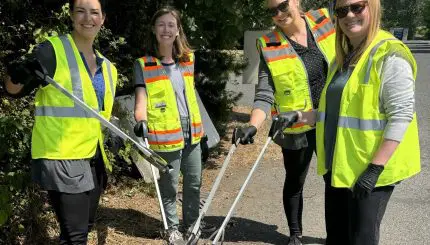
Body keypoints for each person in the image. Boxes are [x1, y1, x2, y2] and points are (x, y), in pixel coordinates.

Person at [289, 0, 420, 244]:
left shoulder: (390, 54)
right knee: (337, 237)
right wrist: (298, 116)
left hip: (373, 172)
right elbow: (336, 112)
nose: (349, 15)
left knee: (361, 239)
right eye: (341, 11)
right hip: (340, 167)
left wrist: (374, 169)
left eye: (357, 7)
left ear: (373, 7)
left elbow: (401, 115)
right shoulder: (342, 57)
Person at [3, 0, 117, 244]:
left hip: (93, 157)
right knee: (76, 237)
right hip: (61, 154)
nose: (88, 18)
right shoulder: (52, 51)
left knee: (82, 227)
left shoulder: (109, 68)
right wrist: (17, 74)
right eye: (81, 11)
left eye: (94, 12)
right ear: (72, 16)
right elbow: (13, 90)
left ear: (103, 18)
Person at [232, 0, 335, 244]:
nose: (278, 14)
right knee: (295, 181)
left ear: (296, 1)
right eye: (271, 10)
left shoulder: (325, 22)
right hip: (295, 127)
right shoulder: (269, 45)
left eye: (282, 5)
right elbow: (264, 94)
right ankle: (295, 234)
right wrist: (253, 125)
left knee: (334, 180)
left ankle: (336, 235)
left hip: (330, 121)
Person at [133, 6, 215, 245]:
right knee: (168, 187)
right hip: (165, 136)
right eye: (161, 25)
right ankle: (172, 229)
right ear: (153, 29)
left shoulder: (188, 60)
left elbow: (192, 97)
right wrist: (141, 121)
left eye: (171, 25)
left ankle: (192, 227)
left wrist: (205, 135)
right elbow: (141, 99)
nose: (166, 29)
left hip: (193, 134)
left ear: (178, 30)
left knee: (194, 182)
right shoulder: (143, 64)